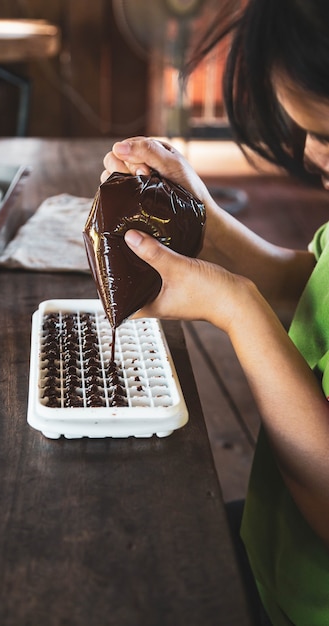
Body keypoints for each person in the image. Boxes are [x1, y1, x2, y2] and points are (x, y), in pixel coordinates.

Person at [100, 1, 329, 624]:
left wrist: (237, 309)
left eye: (328, 134)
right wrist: (204, 223)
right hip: (273, 552)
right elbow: (311, 284)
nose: (310, 154)